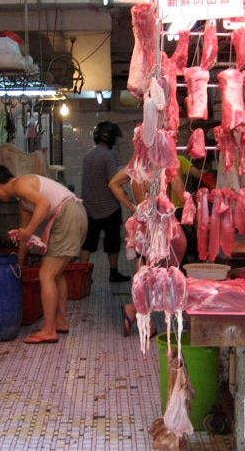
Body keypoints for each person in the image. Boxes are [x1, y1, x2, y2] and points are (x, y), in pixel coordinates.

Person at [0, 165, 88, 344]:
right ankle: (60, 321)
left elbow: (44, 204)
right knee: (56, 274)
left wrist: (30, 230)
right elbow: (24, 235)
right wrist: (19, 262)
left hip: (68, 216)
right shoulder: (23, 201)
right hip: (76, 214)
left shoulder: (20, 184)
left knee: (46, 274)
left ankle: (49, 330)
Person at [108, 167, 187, 336]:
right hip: (160, 224)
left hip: (142, 223)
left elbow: (113, 183)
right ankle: (135, 309)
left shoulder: (136, 167)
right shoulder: (166, 167)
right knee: (161, 267)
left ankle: (143, 318)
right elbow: (181, 194)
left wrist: (132, 207)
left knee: (144, 268)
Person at [79, 121, 130, 282]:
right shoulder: (110, 155)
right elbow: (112, 181)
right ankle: (113, 273)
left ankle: (82, 275)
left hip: (89, 207)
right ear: (111, 138)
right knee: (112, 243)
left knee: (87, 243)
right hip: (109, 207)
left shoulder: (88, 156)